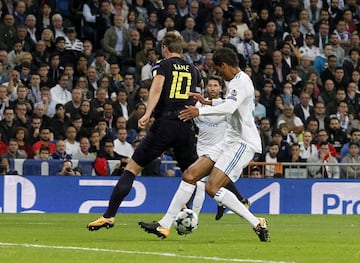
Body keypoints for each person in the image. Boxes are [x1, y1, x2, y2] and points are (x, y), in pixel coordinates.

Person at [138, 47, 269, 242]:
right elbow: (231, 104)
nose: (218, 73)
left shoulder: (240, 82)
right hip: (228, 141)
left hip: (242, 143)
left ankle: (257, 223)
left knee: (212, 188)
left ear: (224, 65)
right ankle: (164, 225)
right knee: (190, 175)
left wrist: (200, 111)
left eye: (218, 69)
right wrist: (209, 103)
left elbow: (230, 107)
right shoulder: (235, 82)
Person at [86, 32, 201, 231]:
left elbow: (156, 89)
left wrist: (147, 113)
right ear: (181, 49)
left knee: (132, 168)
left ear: (165, 48)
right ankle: (183, 214)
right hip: (185, 125)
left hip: (165, 123)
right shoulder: (194, 70)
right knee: (190, 176)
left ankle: (109, 216)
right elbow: (196, 97)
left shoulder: (163, 65)